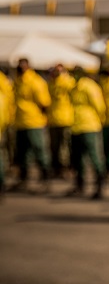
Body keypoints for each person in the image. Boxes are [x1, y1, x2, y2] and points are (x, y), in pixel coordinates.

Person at [10, 58, 52, 193]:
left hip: (34, 122)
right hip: (20, 122)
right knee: (23, 153)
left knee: (39, 150)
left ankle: (46, 180)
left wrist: (43, 119)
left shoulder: (35, 81)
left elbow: (44, 103)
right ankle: (23, 180)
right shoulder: (18, 81)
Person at [66, 67, 106, 198]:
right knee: (79, 159)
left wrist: (100, 120)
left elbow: (99, 106)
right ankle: (81, 185)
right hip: (78, 126)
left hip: (89, 127)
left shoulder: (89, 87)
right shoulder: (75, 87)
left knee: (94, 157)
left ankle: (99, 186)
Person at [47, 63, 75, 178]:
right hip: (53, 119)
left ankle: (65, 168)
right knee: (54, 146)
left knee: (64, 147)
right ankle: (57, 168)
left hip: (65, 119)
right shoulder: (51, 83)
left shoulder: (67, 82)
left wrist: (63, 76)